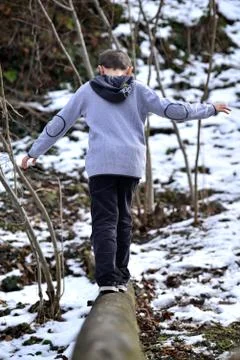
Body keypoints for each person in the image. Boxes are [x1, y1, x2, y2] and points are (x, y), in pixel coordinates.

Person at [21, 49, 230, 295]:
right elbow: (173, 110)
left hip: (102, 165)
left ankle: (108, 279)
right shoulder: (139, 90)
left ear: (100, 69)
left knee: (105, 220)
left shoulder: (87, 91)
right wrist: (210, 108)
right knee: (123, 219)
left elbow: (61, 122)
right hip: (130, 164)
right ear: (129, 70)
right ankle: (120, 274)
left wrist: (34, 152)